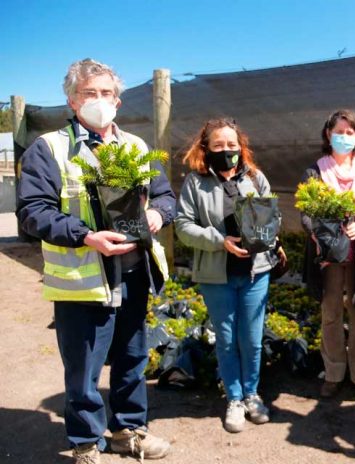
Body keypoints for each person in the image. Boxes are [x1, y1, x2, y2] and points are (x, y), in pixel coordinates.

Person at [16, 59, 174, 463]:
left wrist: (157, 213)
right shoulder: (49, 148)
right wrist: (86, 236)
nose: (99, 101)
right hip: (84, 278)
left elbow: (164, 195)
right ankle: (86, 441)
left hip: (135, 273)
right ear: (72, 100)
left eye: (106, 93)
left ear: (118, 102)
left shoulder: (137, 147)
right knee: (83, 366)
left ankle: (128, 430)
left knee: (132, 359)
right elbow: (33, 210)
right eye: (89, 93)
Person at [175, 118, 284, 433]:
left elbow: (272, 217)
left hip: (255, 272)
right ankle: (234, 399)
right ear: (206, 147)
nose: (226, 150)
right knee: (226, 339)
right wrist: (218, 241)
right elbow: (183, 225)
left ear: (241, 147)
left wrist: (267, 233)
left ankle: (251, 394)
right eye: (219, 145)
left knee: (250, 340)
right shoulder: (196, 183)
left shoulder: (255, 177)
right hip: (216, 274)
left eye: (232, 145)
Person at [301, 109, 355, 399]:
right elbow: (306, 213)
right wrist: (319, 235)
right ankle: (334, 372)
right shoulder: (315, 171)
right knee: (331, 315)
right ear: (328, 134)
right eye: (339, 132)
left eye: (350, 133)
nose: (344, 137)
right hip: (328, 260)